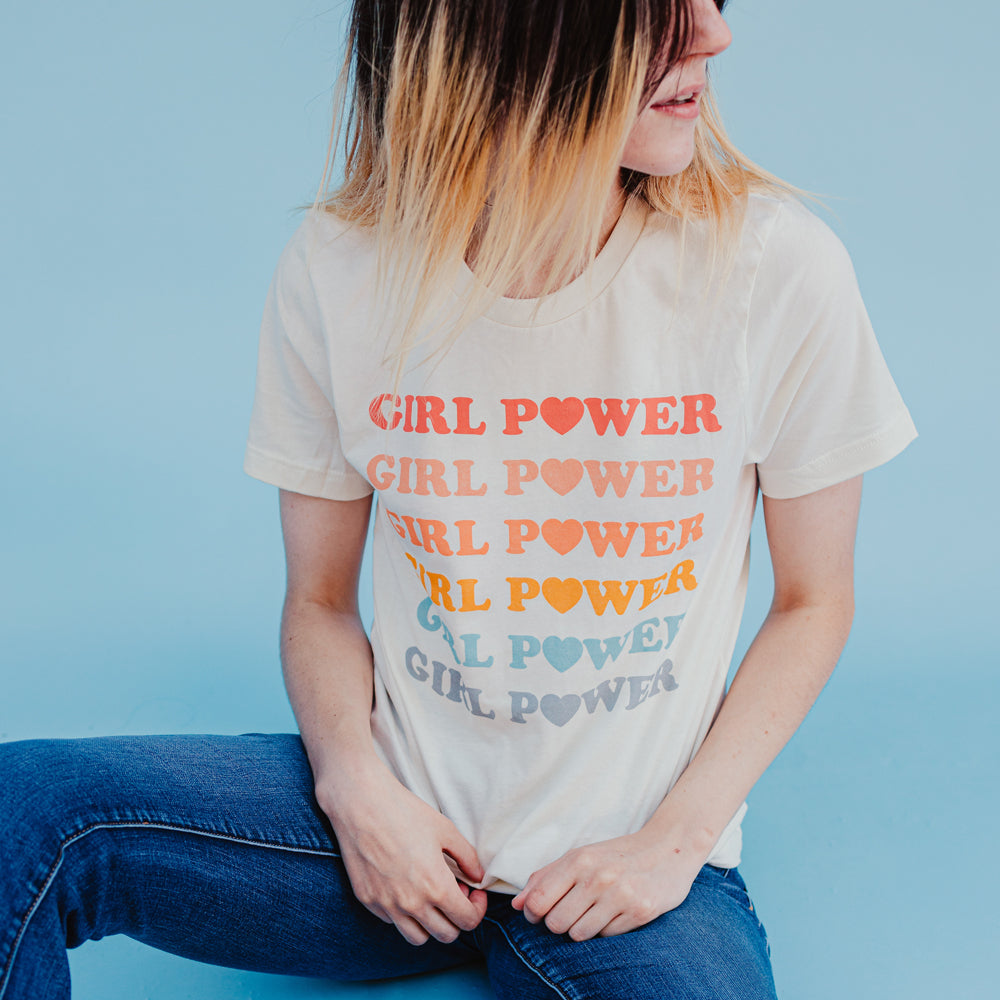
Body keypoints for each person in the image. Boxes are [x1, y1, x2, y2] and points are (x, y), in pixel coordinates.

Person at [0, 1, 917, 997]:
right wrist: (354, 789)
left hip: (637, 877)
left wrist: (671, 843)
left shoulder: (771, 269)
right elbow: (317, 599)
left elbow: (811, 600)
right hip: (390, 845)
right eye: (656, 16)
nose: (712, 38)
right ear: (509, 32)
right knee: (25, 810)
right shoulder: (342, 270)